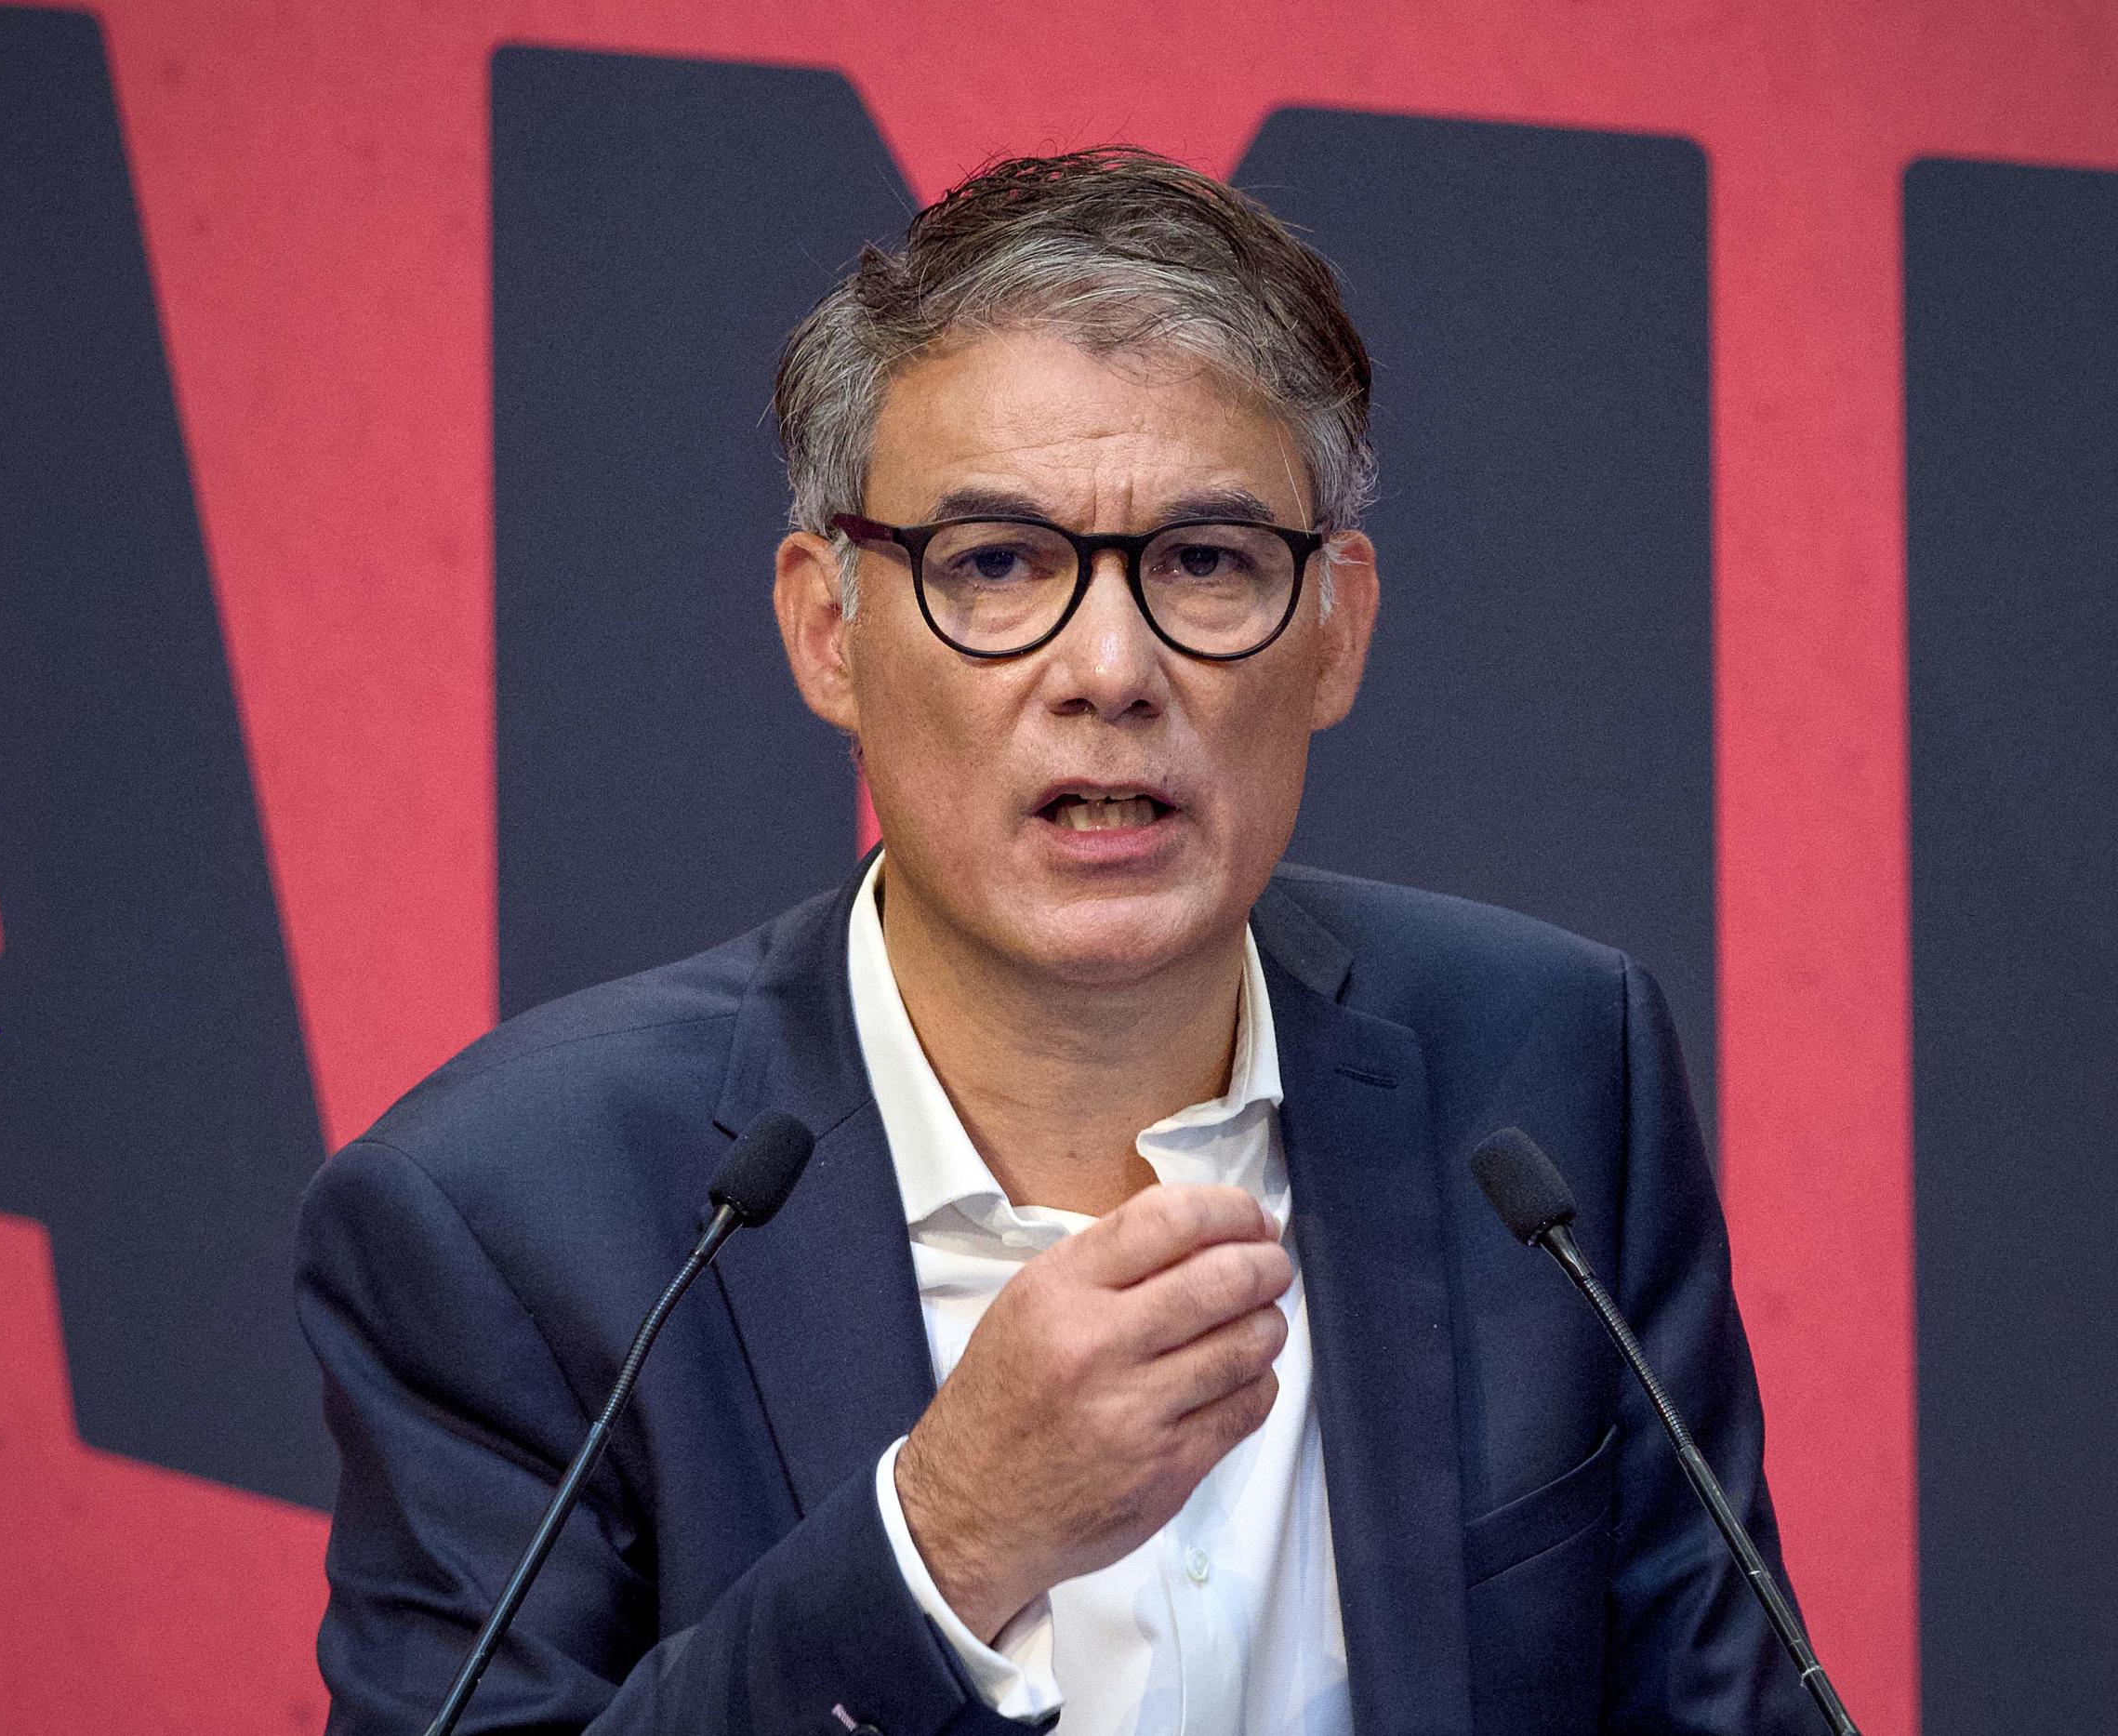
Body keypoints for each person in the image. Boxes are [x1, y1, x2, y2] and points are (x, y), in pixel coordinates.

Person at [296, 147, 1813, 1735]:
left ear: (1337, 630)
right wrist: (945, 1543)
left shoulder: (1549, 1076)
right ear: (832, 629)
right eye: (998, 564)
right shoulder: (513, 1216)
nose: (1111, 667)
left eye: (1206, 563)